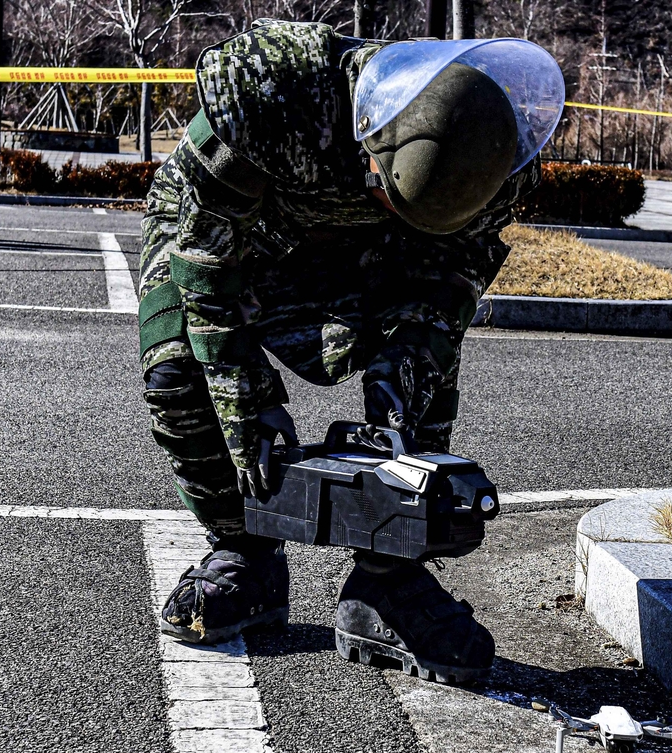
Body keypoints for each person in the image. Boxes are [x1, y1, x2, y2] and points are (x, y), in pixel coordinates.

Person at [137, 19, 563, 683]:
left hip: (373, 252)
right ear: (373, 147)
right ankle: (244, 552)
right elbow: (205, 265)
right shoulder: (275, 90)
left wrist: (398, 378)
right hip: (234, 235)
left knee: (421, 371)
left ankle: (387, 580)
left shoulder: (494, 150)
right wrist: (247, 401)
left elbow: (447, 286)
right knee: (176, 362)